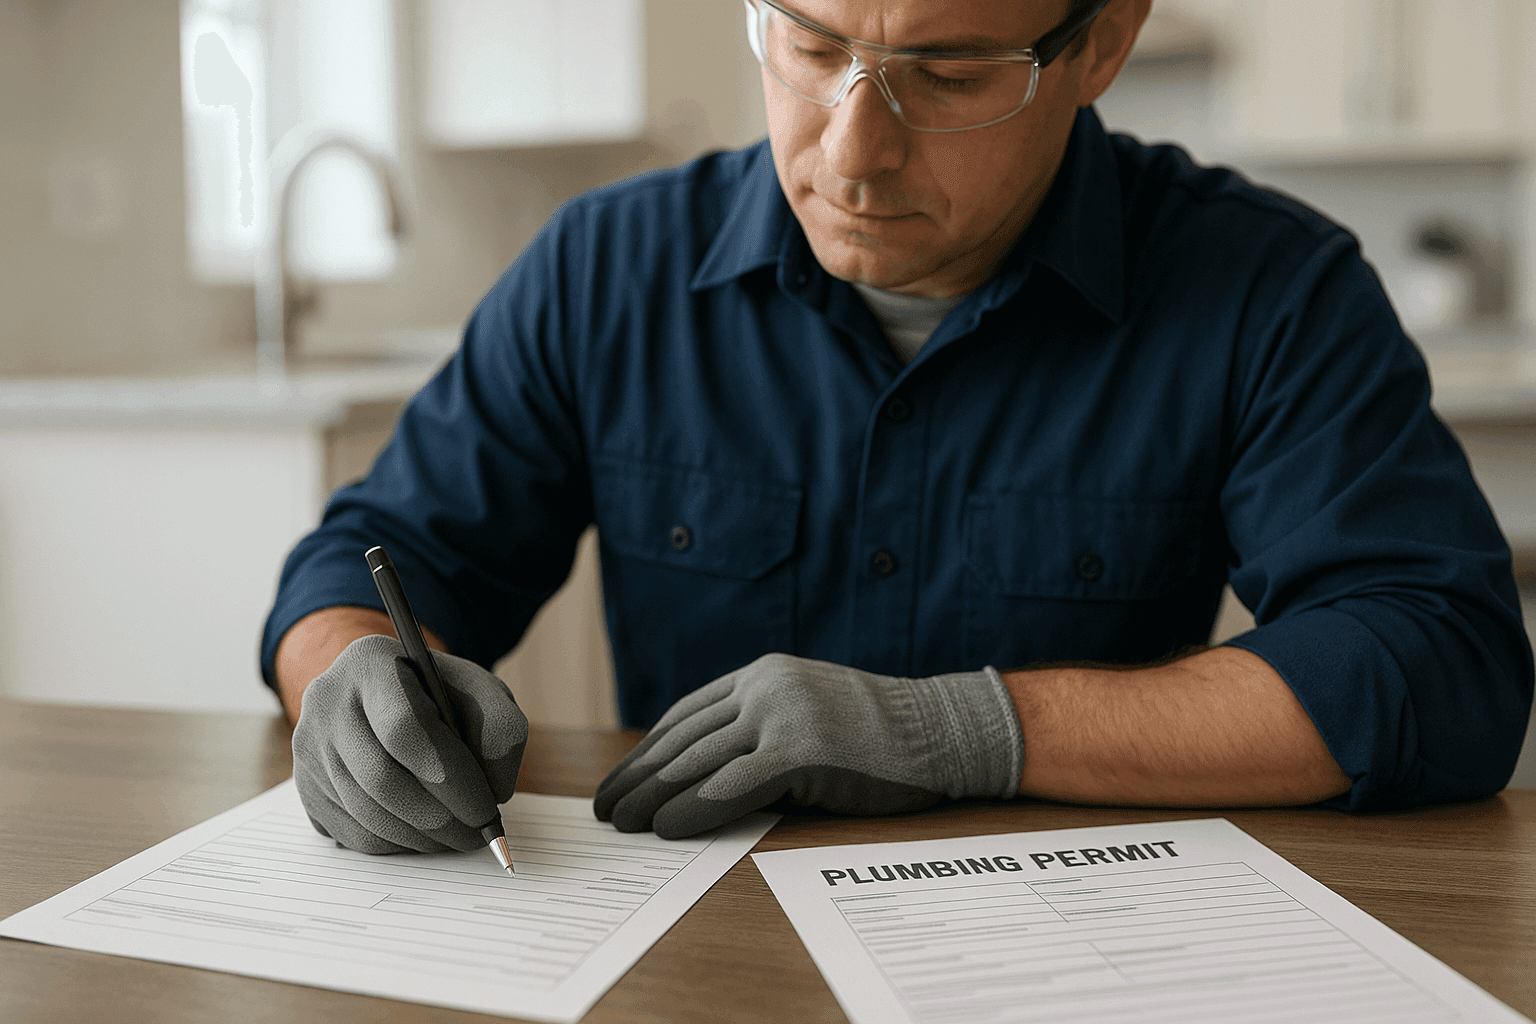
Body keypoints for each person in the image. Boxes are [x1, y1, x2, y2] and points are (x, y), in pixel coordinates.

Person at [265, 0, 1533, 854]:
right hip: (703, 954)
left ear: (1103, 42)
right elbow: (377, 554)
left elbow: (1442, 660)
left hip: (1077, 956)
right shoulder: (605, 269)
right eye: (813, 47)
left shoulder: (1269, 290)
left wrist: (968, 731)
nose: (854, 152)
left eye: (953, 74)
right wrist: (347, 678)